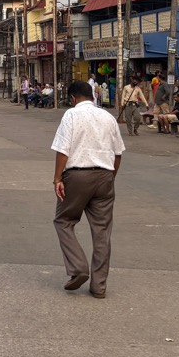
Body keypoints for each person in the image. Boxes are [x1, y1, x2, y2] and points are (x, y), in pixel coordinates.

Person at [51, 79, 125, 299]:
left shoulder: (71, 115)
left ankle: (78, 268)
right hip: (105, 175)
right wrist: (111, 178)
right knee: (102, 231)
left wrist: (57, 179)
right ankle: (99, 286)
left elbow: (63, 150)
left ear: (73, 98)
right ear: (92, 96)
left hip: (77, 175)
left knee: (63, 221)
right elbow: (118, 153)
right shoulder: (108, 117)